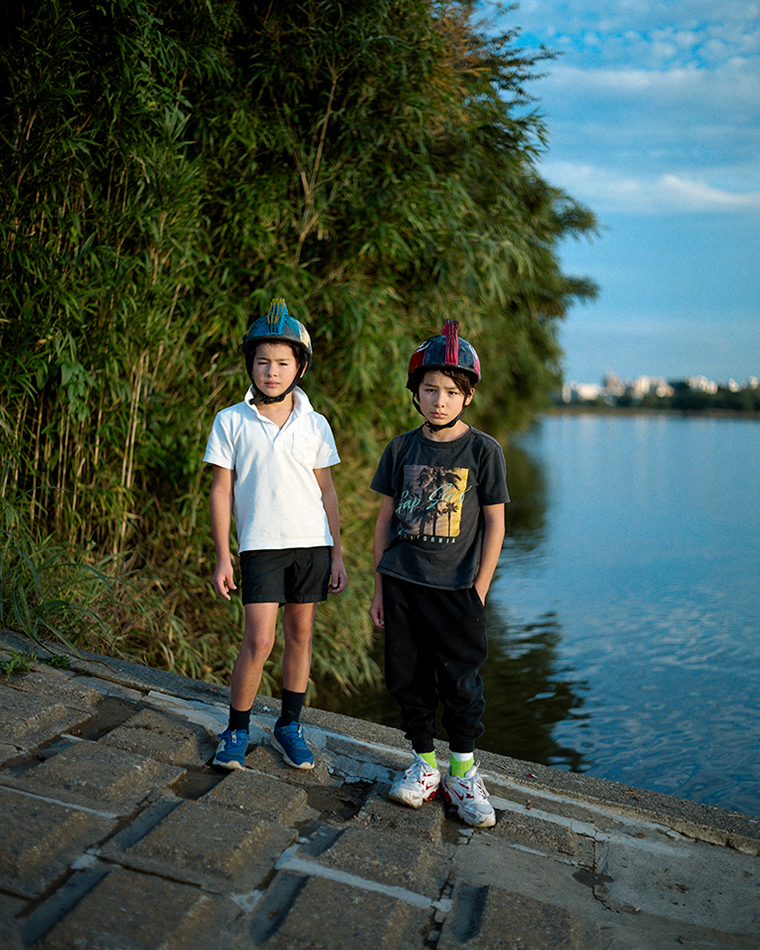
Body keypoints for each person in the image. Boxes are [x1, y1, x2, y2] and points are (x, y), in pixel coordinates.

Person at [369, 319, 508, 828]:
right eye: (430, 390)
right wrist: (379, 587)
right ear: (416, 393)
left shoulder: (483, 451)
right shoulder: (401, 448)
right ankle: (424, 765)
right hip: (404, 582)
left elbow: (495, 523)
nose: (440, 401)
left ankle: (463, 774)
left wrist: (480, 588)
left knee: (462, 681)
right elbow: (384, 521)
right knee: (407, 677)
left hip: (457, 589)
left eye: (451, 392)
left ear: (467, 397)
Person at [204, 298, 347, 771]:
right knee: (259, 640)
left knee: (300, 633)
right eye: (262, 361)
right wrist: (223, 555)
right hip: (260, 546)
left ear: (299, 367)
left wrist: (338, 554)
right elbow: (221, 490)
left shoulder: (315, 423)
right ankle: (237, 729)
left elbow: (327, 493)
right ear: (251, 364)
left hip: (311, 544)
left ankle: (289, 725)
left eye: (283, 362)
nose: (271, 371)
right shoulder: (231, 420)